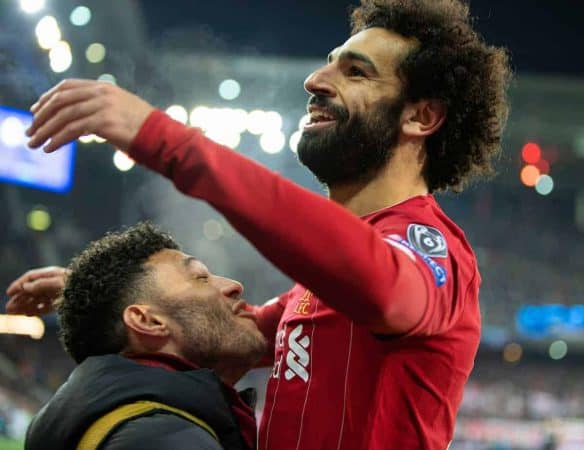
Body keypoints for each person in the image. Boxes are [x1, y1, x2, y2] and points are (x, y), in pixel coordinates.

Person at [10, 0, 511, 448]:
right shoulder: (312, 290)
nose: (316, 80)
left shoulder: (432, 247)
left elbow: (385, 288)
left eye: (355, 72)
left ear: (421, 117)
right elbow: (236, 331)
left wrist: (172, 144)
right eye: (330, 62)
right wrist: (115, 293)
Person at [21, 222, 266, 450]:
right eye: (201, 277)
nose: (235, 286)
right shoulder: (164, 439)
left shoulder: (117, 424)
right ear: (147, 321)